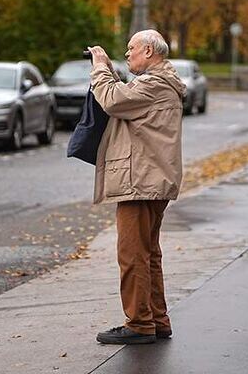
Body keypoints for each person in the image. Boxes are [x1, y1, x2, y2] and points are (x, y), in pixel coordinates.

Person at [87, 30, 186, 345]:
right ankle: (156, 319)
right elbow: (127, 95)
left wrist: (100, 67)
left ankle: (140, 323)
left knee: (132, 254)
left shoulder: (154, 84)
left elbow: (114, 100)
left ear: (148, 50)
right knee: (147, 252)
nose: (127, 54)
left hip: (140, 180)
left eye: (131, 48)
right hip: (150, 179)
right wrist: (111, 73)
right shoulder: (158, 83)